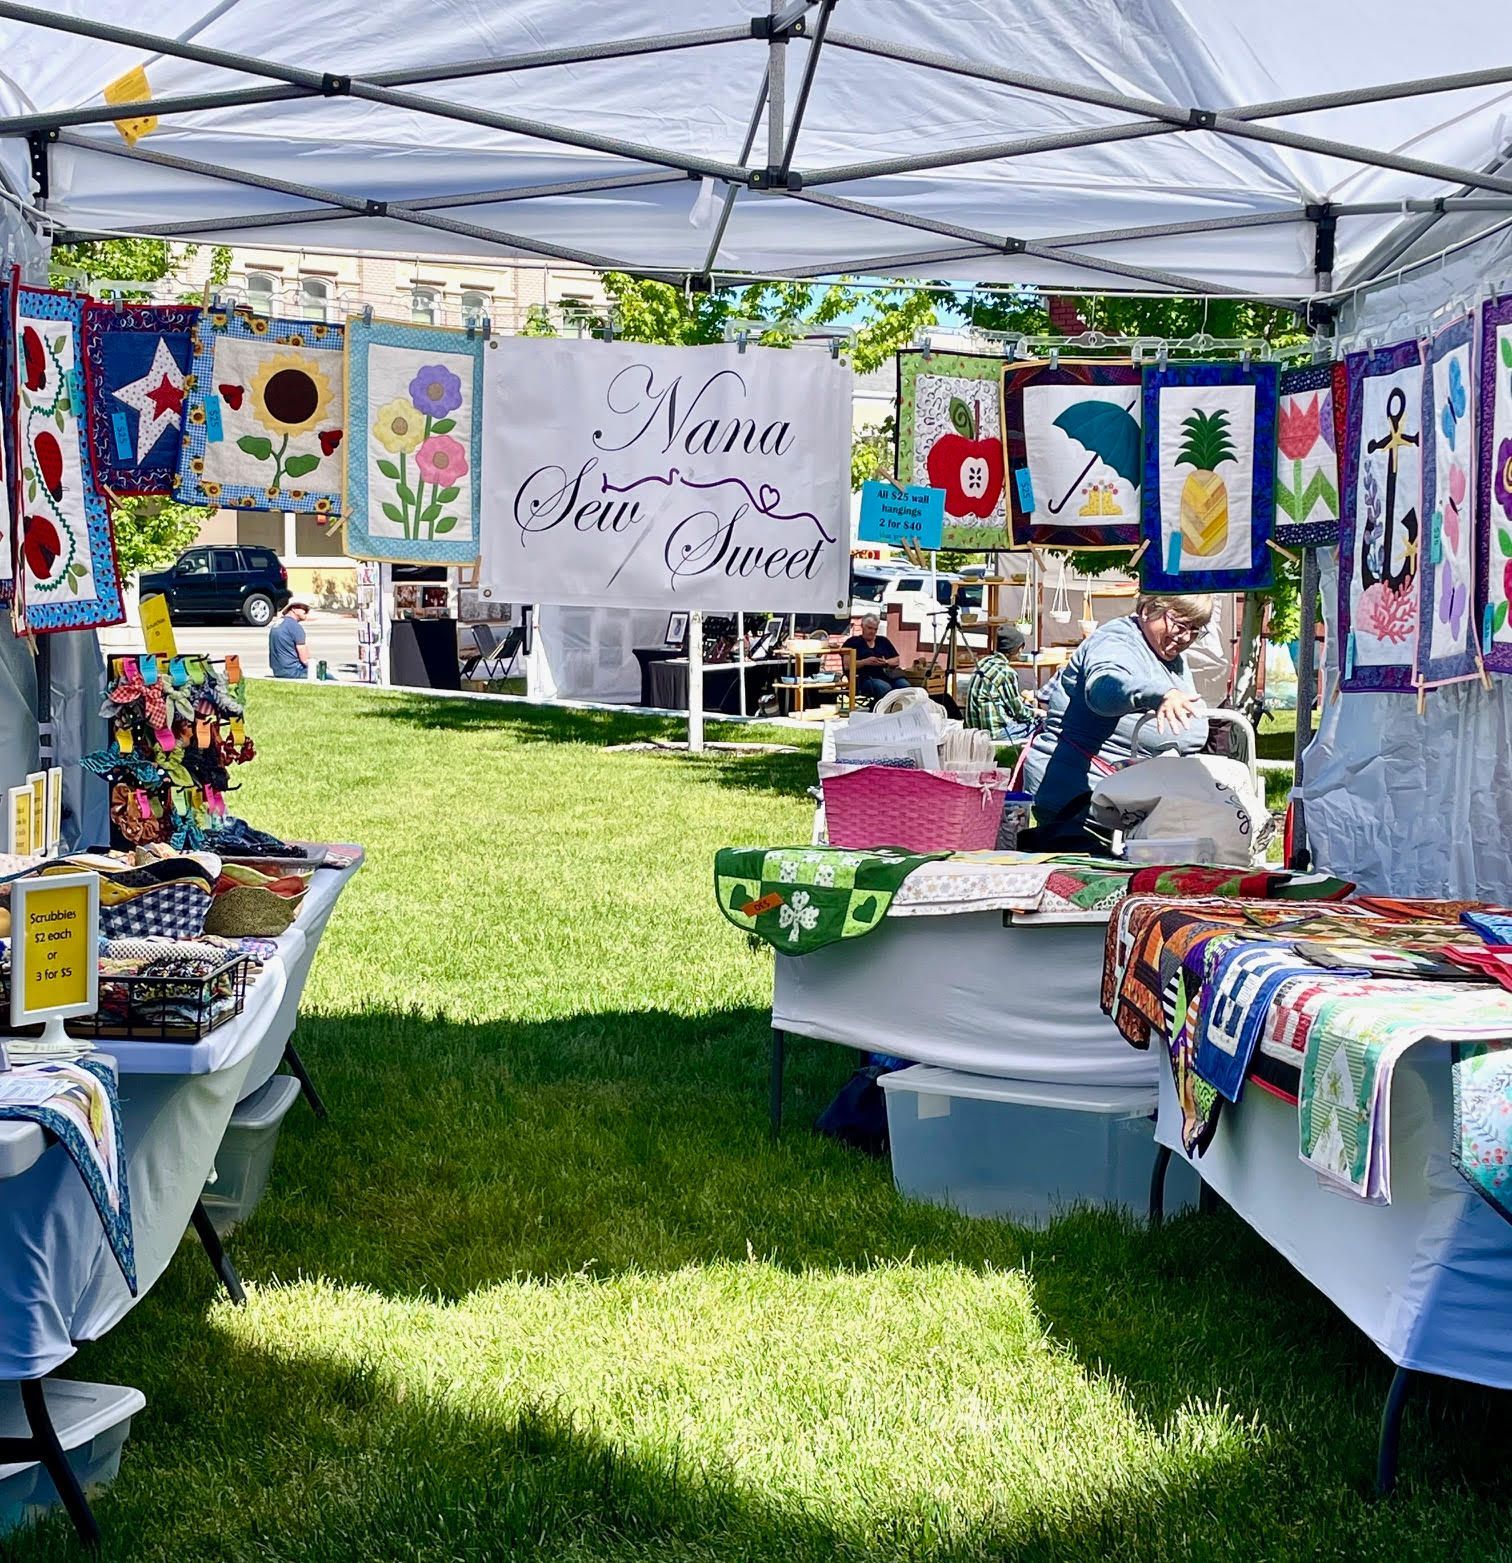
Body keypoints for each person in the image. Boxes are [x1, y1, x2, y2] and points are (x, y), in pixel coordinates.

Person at [1020, 593, 1213, 851]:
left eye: (1195, 630)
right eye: (1180, 625)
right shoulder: (1116, 641)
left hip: (1126, 800)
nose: (1186, 637)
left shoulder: (1164, 650)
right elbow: (1104, 689)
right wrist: (1158, 695)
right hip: (1081, 802)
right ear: (1147, 611)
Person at [965, 626, 1034, 740]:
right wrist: (1035, 713)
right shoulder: (1007, 672)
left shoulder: (983, 663)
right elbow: (1018, 711)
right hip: (995, 733)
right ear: (1019, 648)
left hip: (974, 730)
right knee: (1037, 726)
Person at [842, 614, 912, 704]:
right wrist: (865, 662)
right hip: (864, 679)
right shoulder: (852, 642)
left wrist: (885, 662)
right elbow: (847, 665)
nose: (872, 632)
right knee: (884, 687)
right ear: (862, 626)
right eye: (870, 628)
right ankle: (885, 711)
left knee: (905, 686)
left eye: (875, 629)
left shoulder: (883, 641)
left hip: (886, 675)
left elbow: (896, 660)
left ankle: (905, 711)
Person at [268, 600, 311, 680]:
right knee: (327, 676)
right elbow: (305, 660)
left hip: (277, 671)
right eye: (303, 608)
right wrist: (316, 668)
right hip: (293, 670)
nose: (306, 611)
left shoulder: (277, 624)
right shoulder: (295, 626)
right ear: (293, 609)